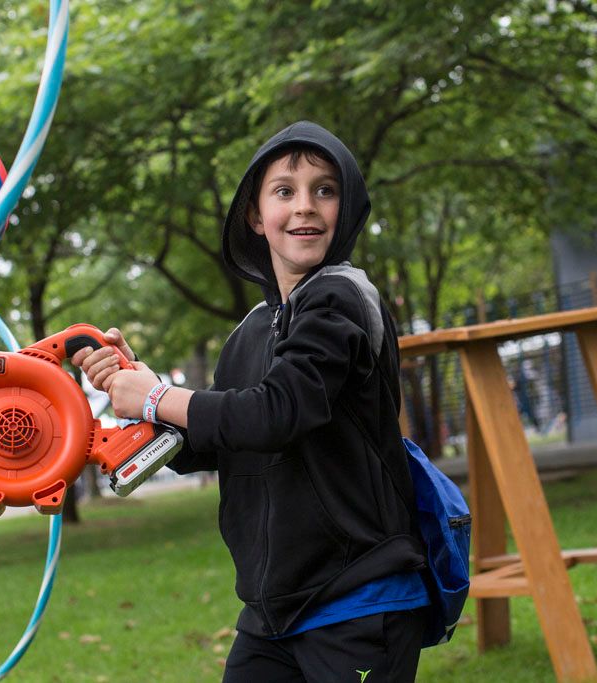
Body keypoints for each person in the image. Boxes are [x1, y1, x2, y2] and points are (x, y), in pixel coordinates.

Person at [73, 121, 430, 681]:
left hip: (358, 597)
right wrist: (137, 393)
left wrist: (160, 396)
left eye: (325, 189)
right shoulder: (252, 330)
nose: (305, 207)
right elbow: (218, 441)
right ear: (255, 215)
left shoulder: (342, 300)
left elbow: (275, 414)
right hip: (274, 612)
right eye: (284, 191)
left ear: (349, 204)